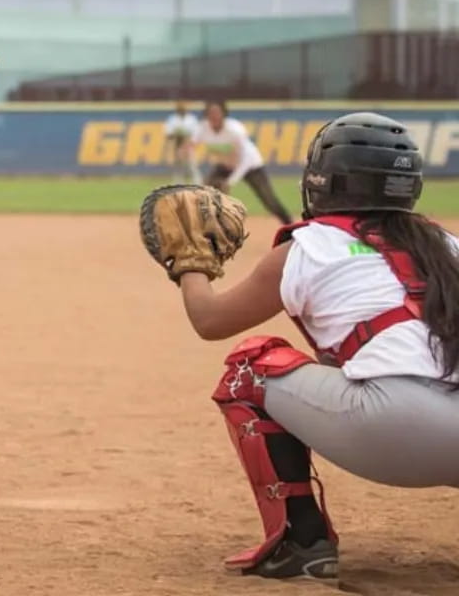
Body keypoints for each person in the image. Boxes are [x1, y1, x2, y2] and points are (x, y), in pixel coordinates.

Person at [176, 112, 459, 581]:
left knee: (249, 370)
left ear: (324, 181)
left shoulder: (308, 247)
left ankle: (302, 541)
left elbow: (209, 321)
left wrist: (189, 263)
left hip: (396, 425)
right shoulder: (446, 244)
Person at [191, 100, 292, 223]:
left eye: (217, 112)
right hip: (225, 165)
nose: (214, 116)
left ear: (224, 114)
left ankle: (289, 225)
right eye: (210, 113)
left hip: (250, 166)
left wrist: (230, 181)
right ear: (206, 115)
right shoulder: (202, 128)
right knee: (205, 193)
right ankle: (213, 228)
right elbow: (190, 147)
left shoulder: (235, 130)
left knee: (269, 200)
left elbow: (246, 159)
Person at [163, 100, 200, 183]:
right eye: (180, 108)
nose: (182, 109)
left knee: (192, 166)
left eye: (184, 108)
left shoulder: (191, 119)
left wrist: (188, 141)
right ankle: (178, 185)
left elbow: (196, 133)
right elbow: (168, 133)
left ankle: (197, 184)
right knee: (178, 167)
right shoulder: (172, 119)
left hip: (189, 145)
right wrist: (178, 134)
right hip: (178, 144)